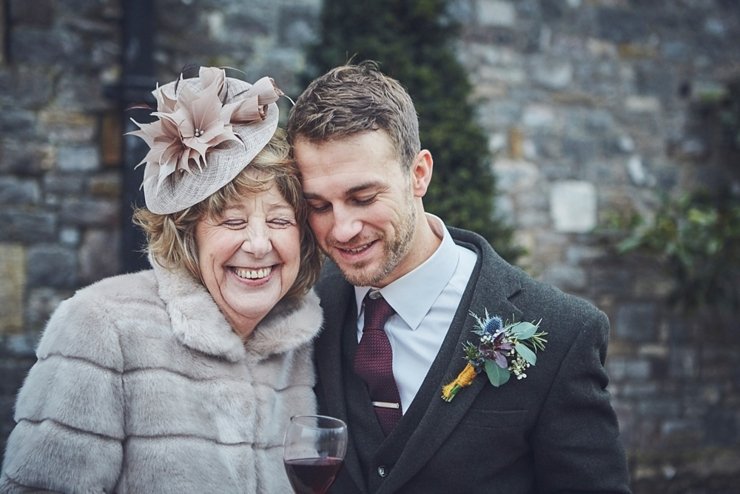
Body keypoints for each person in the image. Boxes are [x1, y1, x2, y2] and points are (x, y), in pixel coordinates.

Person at [286, 60, 631, 493]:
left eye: (363, 197)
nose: (341, 229)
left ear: (419, 174)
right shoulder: (302, 315)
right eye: (319, 206)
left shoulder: (563, 333)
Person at [0, 66, 323, 493]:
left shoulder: (304, 341)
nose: (259, 244)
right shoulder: (100, 328)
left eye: (280, 220)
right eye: (232, 221)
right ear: (188, 233)